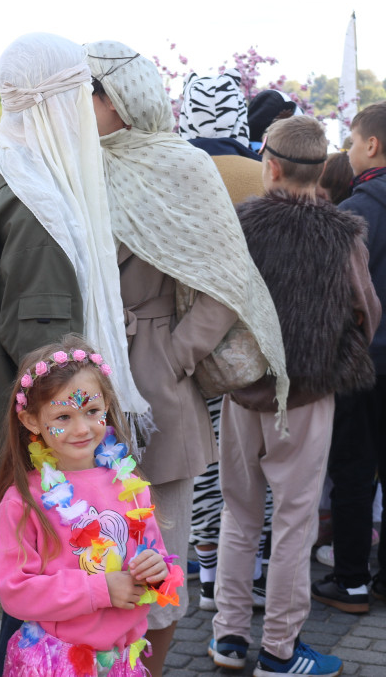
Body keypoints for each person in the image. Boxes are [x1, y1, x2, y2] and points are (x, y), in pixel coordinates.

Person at [0, 33, 149, 676]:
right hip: (38, 437)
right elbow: (47, 359)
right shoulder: (41, 209)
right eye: (80, 91)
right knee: (42, 602)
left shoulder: (8, 167)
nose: (90, 106)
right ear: (57, 100)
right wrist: (85, 428)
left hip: (25, 421)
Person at [85, 40, 288, 676]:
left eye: (91, 92)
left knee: (161, 551)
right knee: (88, 550)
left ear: (127, 98)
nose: (78, 105)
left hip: (154, 381)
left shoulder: (180, 167)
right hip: (74, 387)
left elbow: (226, 281)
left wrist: (173, 354)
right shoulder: (67, 165)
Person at [210, 116, 379, 676]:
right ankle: (280, 651)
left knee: (239, 514)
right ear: (323, 165)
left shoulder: (240, 226)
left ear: (271, 165)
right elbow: (367, 310)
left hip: (241, 391)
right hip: (307, 394)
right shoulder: (343, 233)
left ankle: (229, 637)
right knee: (294, 523)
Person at [0, 335, 183, 677]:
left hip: (122, 660)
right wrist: (101, 589)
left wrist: (157, 572)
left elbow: (157, 562)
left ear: (107, 405)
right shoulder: (23, 501)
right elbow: (15, 592)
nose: (81, 428)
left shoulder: (130, 486)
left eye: (92, 411)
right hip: (56, 662)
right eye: (62, 417)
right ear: (31, 421)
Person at [178, 69, 272, 614]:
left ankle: (210, 574)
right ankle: (254, 573)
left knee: (202, 460)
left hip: (184, 339)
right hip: (251, 345)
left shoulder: (171, 172)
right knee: (251, 457)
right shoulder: (261, 175)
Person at [312, 101, 386, 614]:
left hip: (362, 362)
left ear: (372, 145)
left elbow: (333, 294)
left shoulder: (357, 211)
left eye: (353, 141)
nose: (350, 151)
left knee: (355, 469)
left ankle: (353, 581)